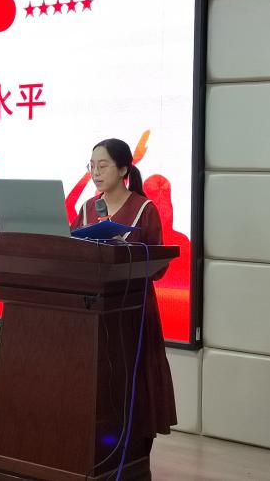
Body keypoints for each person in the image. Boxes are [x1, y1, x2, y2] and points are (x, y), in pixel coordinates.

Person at [71, 138, 177, 450]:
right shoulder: (88, 209)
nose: (95, 172)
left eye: (102, 166)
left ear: (123, 169)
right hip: (95, 307)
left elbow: (157, 266)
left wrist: (123, 251)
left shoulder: (144, 209)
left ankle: (135, 451)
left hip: (134, 309)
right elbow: (73, 251)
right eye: (92, 166)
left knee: (133, 379)